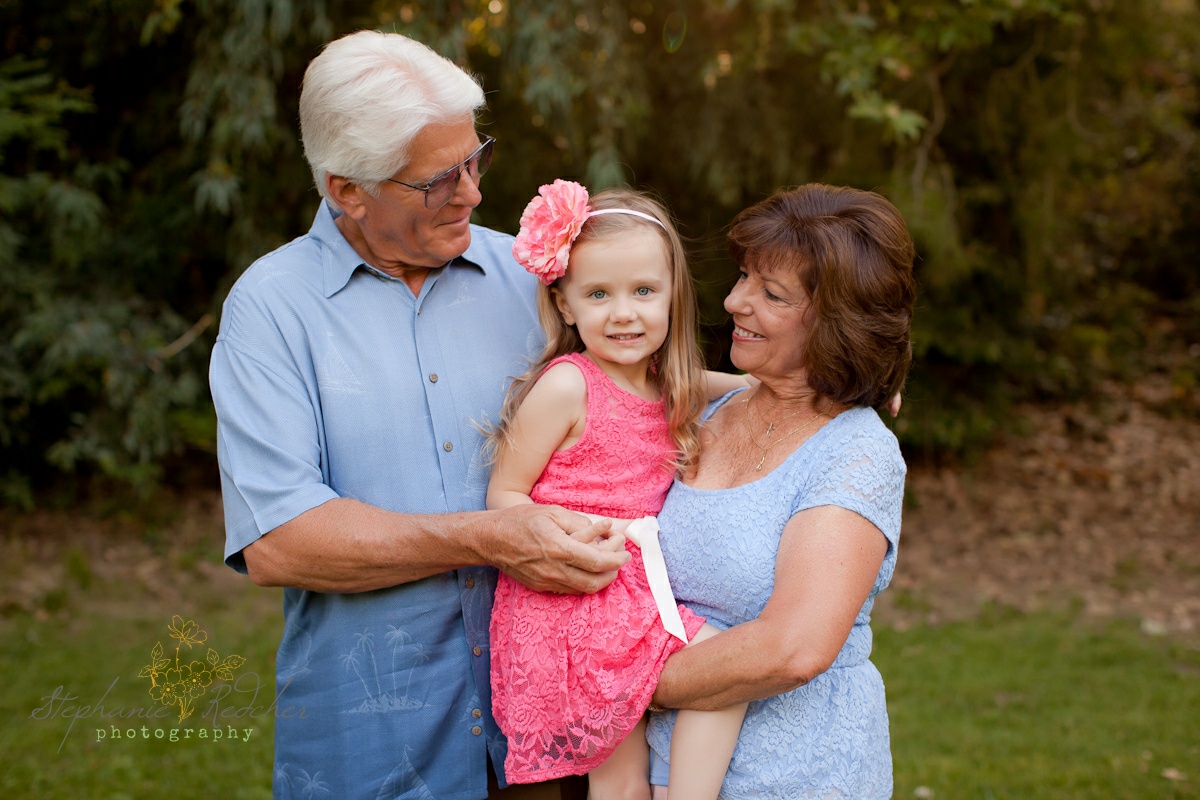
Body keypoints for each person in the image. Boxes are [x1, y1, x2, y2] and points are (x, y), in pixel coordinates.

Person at [208, 30, 630, 800]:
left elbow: (646, 394)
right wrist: (488, 538)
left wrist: (800, 390)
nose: (471, 193)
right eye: (438, 180)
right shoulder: (272, 309)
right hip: (375, 751)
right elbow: (278, 541)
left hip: (555, 741)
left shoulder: (533, 279)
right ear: (347, 190)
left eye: (475, 160)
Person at [644, 183, 916, 799]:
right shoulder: (714, 409)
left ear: (837, 324)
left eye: (771, 294)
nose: (734, 301)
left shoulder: (857, 453)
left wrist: (618, 684)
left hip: (793, 777)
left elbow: (793, 647)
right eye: (744, 276)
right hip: (661, 772)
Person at [485, 181, 750, 800]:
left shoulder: (668, 383)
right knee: (725, 672)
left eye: (643, 291)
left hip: (630, 593)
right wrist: (574, 534)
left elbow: (756, 386)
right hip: (577, 591)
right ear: (565, 305)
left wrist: (851, 387)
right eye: (599, 294)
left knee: (628, 778)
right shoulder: (568, 386)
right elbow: (505, 495)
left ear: (672, 294)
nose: (624, 313)